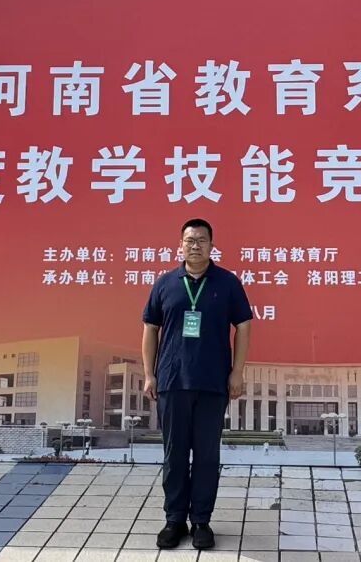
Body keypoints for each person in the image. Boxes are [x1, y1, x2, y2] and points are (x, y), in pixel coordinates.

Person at [142, 218, 252, 550]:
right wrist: (149, 374)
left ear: (211, 246)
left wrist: (237, 371)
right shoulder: (165, 284)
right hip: (173, 380)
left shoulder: (228, 283)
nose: (195, 245)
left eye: (201, 240)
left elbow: (244, 326)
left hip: (213, 382)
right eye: (189, 240)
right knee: (174, 454)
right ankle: (174, 519)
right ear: (180, 245)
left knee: (206, 455)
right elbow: (150, 329)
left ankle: (201, 520)